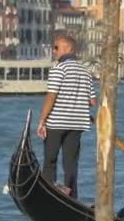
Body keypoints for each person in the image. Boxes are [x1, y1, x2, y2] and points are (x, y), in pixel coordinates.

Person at [37, 35, 96, 198]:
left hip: (56, 123)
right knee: (71, 163)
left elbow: (51, 96)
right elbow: (92, 101)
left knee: (50, 160)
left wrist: (42, 121)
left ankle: (48, 193)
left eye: (56, 47)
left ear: (68, 49)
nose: (53, 51)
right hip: (77, 123)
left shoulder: (58, 69)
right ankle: (72, 196)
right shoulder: (86, 71)